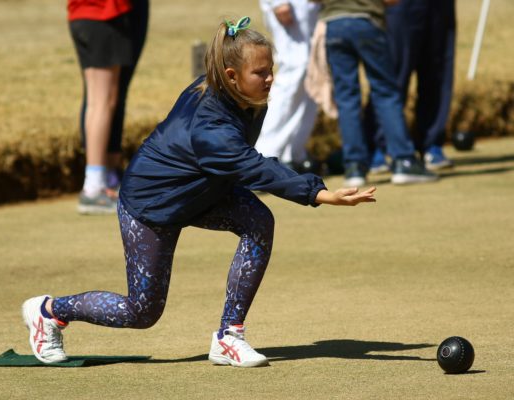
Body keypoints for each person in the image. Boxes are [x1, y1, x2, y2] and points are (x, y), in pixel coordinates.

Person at [22, 18, 376, 368]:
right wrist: (319, 194)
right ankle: (48, 311)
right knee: (141, 311)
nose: (270, 78)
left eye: (271, 70)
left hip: (201, 190)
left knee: (258, 221)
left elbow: (240, 162)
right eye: (260, 73)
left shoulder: (245, 96)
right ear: (232, 75)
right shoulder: (212, 127)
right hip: (152, 203)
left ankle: (229, 336)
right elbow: (253, 167)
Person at [320, 0, 437, 187]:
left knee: (346, 98)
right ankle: (404, 161)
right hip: (367, 22)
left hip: (334, 25)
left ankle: (354, 168)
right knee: (385, 92)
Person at [365, 0, 456, 171]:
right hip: (401, 5)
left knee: (437, 73)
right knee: (393, 73)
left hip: (440, 6)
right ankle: (377, 146)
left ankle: (431, 144)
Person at [68, 0, 134, 214]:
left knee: (96, 101)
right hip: (104, 17)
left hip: (81, 16)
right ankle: (94, 188)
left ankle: (96, 182)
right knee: (103, 102)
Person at [79, 0, 150, 194]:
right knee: (102, 101)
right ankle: (95, 185)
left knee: (101, 98)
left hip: (90, 13)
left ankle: (106, 177)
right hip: (105, 13)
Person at [256, 0, 320, 173]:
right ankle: (265, 153)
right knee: (294, 72)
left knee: (311, 76)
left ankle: (292, 153)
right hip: (290, 7)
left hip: (310, 9)